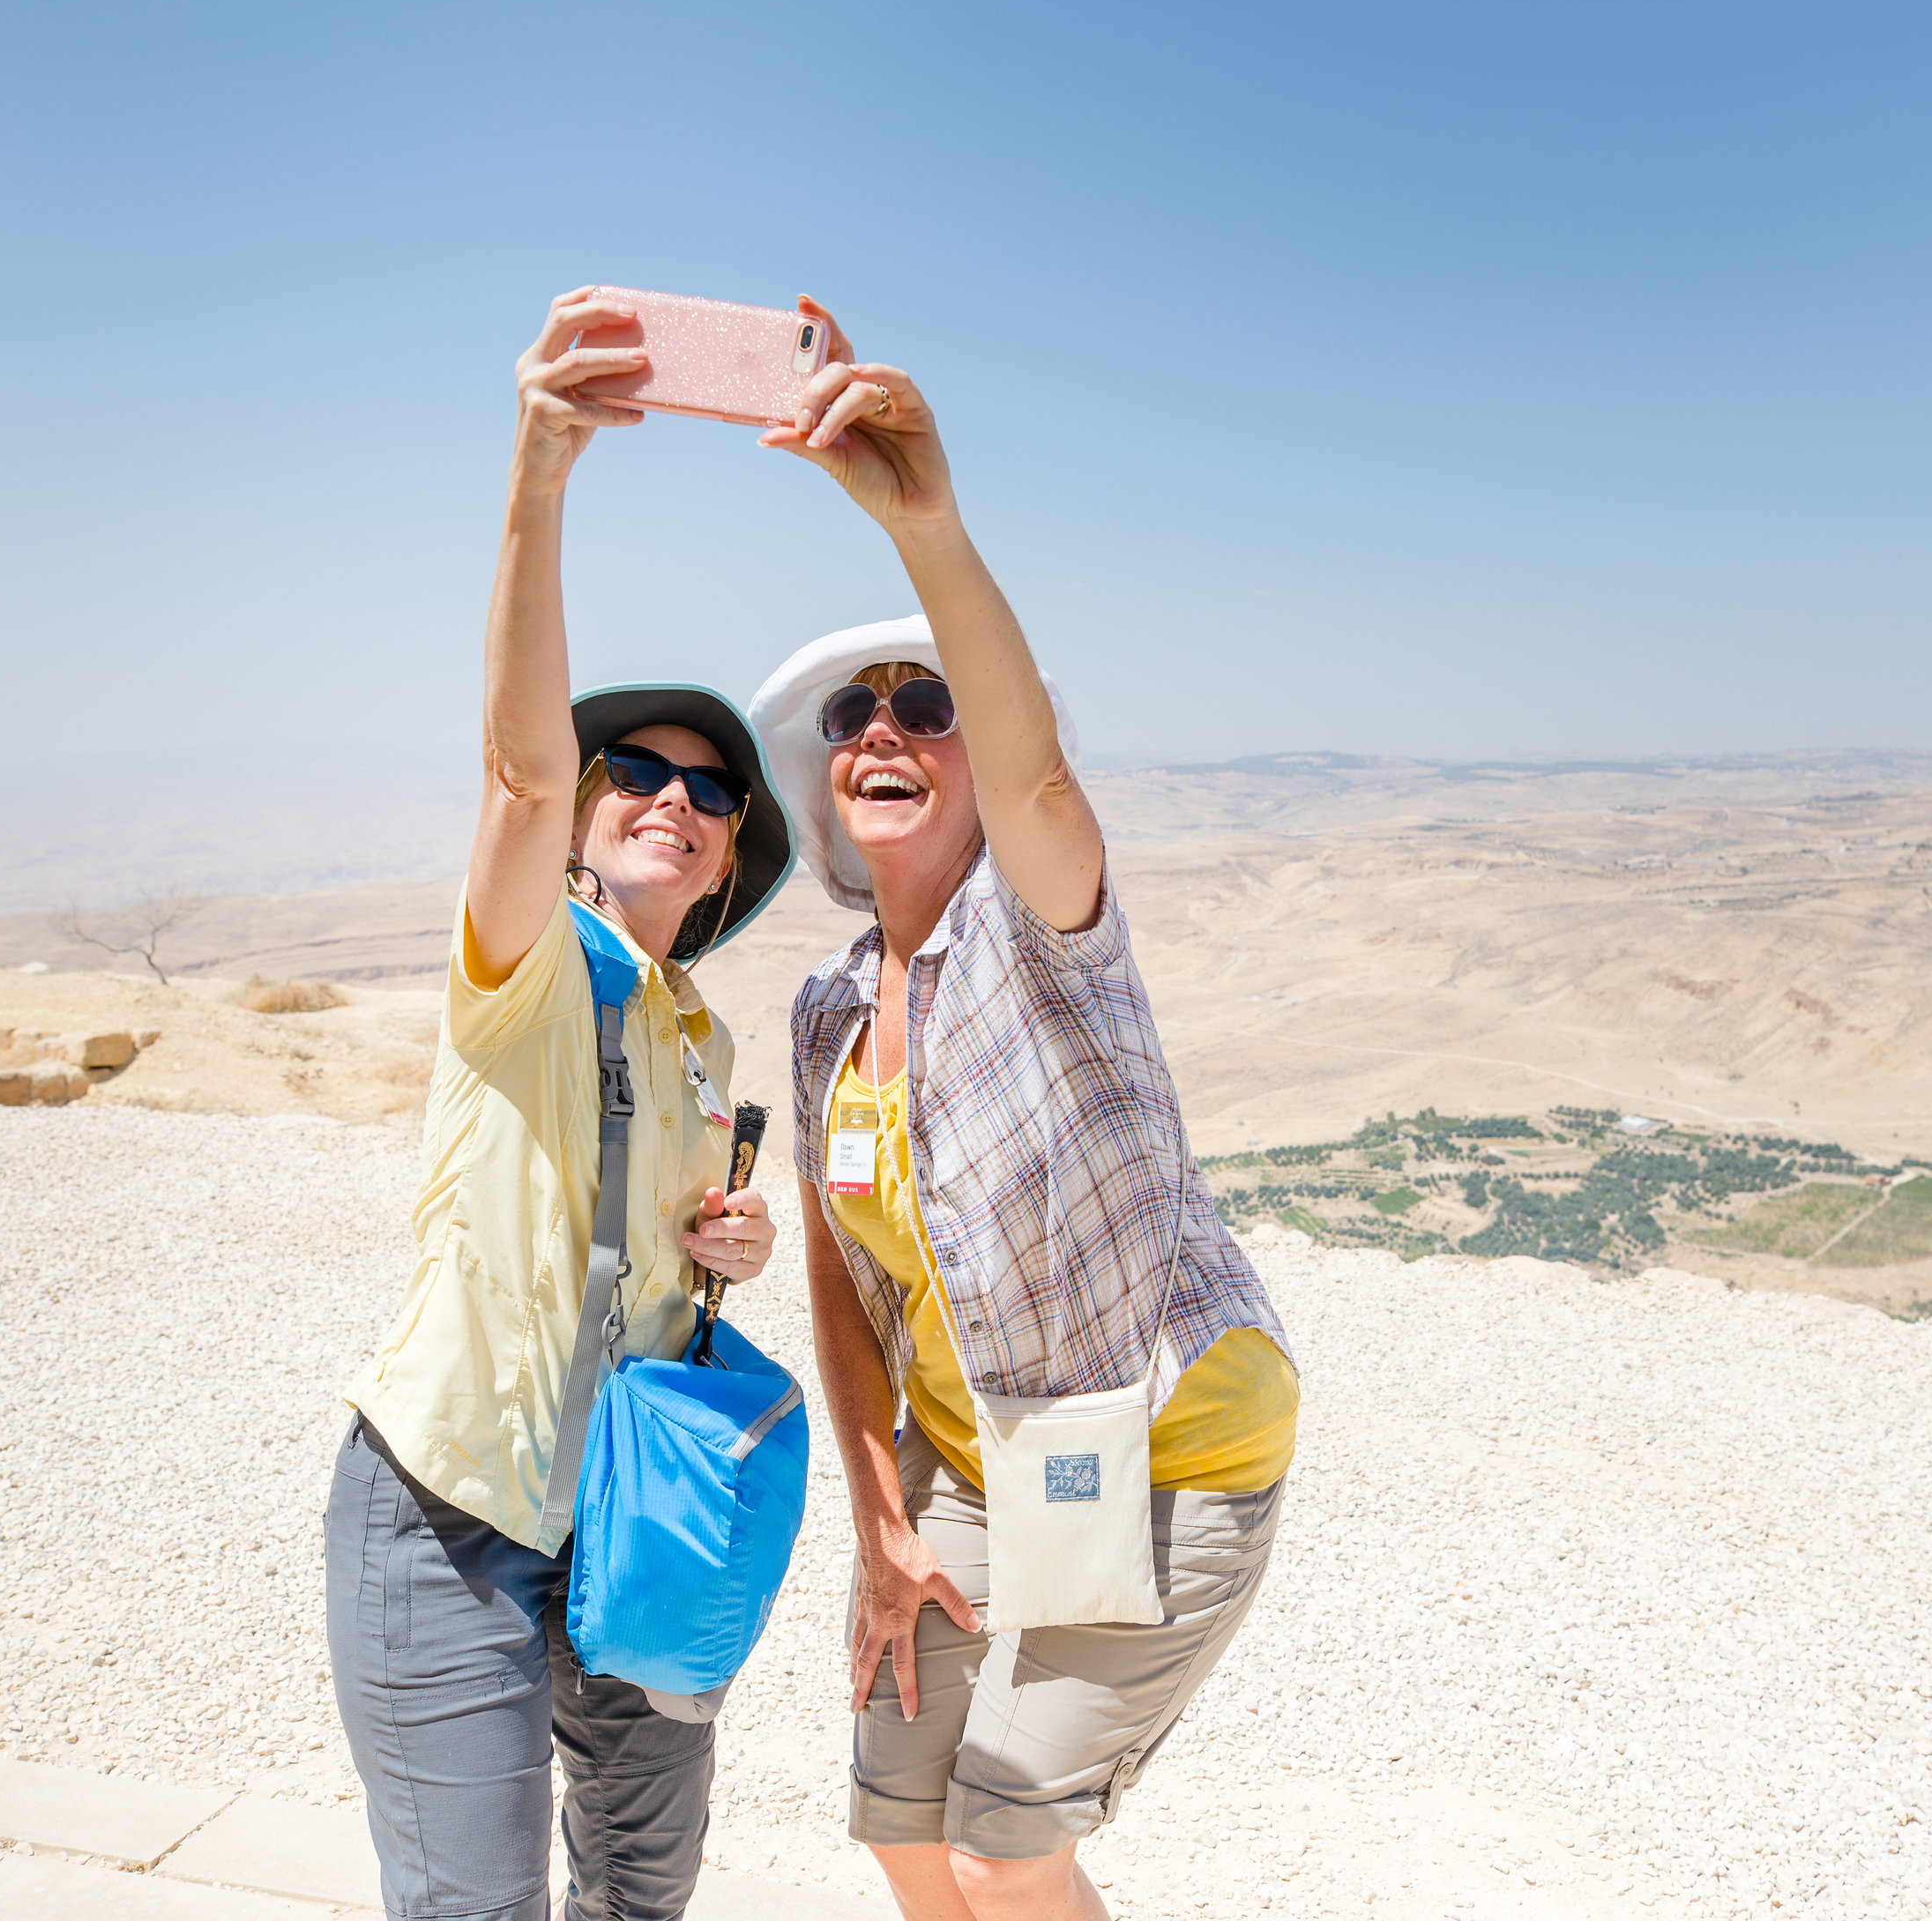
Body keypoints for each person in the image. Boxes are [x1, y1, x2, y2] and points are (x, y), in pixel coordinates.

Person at [750, 312, 1298, 1921]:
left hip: (1176, 1446)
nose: (885, 736)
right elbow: (845, 1291)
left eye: (926, 709)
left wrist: (926, 527)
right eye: (853, 721)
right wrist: (876, 1525)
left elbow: (1047, 786)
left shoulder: (1044, 930)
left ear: (978, 757)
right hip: (983, 1469)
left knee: (1009, 1832)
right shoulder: (829, 1013)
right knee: (899, 1816)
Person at [325, 287, 797, 1921]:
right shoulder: (529, 962)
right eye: (641, 777)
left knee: (644, 1887)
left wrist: (719, 1247)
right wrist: (541, 476)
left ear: (730, 858)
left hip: (637, 1516)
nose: (675, 796)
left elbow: (629, 1244)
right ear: (589, 828)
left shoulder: (700, 1037)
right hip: (457, 1505)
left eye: (712, 792)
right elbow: (518, 771)